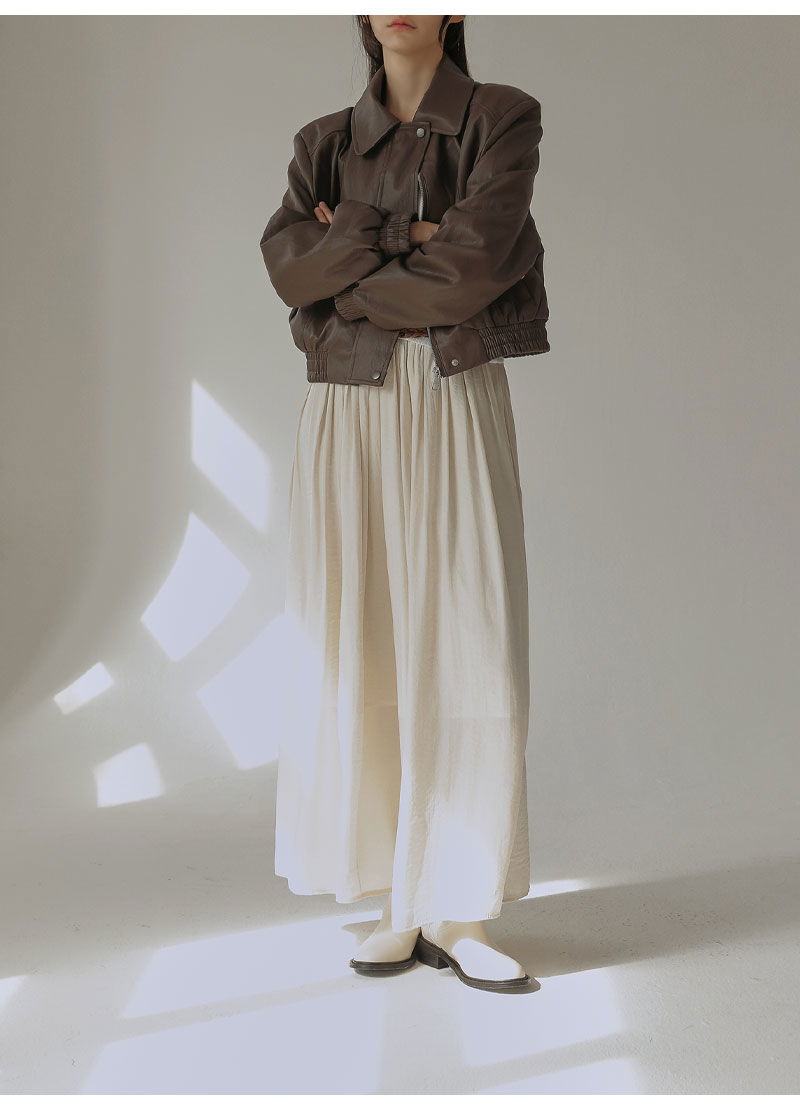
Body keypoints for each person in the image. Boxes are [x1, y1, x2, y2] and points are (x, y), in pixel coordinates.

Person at [259, 15, 550, 993]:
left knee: (469, 638)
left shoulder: (502, 118)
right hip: (346, 401)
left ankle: (461, 910)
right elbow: (288, 272)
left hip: (453, 389)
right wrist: (400, 237)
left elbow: (469, 271)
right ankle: (399, 900)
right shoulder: (321, 142)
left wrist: (346, 263)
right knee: (364, 640)